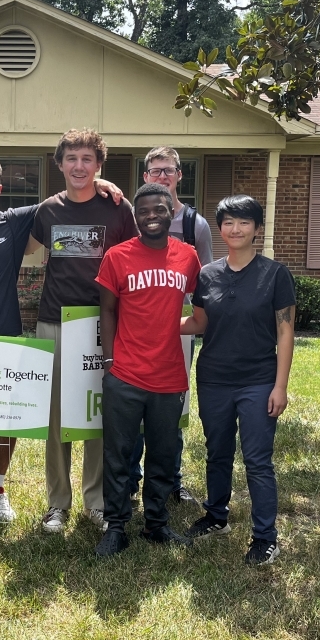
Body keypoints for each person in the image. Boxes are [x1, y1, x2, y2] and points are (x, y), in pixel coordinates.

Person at [0, 151, 124, 522]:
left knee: (9, 416)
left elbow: (65, 197)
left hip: (7, 330)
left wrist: (100, 183)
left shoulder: (14, 221)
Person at [26, 129, 136, 535]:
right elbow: (29, 257)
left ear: (99, 165)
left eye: (87, 159)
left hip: (101, 322)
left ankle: (96, 501)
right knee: (57, 418)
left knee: (95, 414)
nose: (78, 166)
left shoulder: (118, 210)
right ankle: (58, 503)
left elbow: (135, 260)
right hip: (54, 321)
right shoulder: (47, 211)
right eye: (71, 158)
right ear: (59, 164)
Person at [182, 195, 295, 565]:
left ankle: (265, 537)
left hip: (258, 380)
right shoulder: (208, 274)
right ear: (220, 228)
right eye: (229, 222)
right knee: (217, 452)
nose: (236, 229)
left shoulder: (275, 274)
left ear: (257, 229)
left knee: (258, 460)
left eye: (244, 222)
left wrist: (280, 386)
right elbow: (199, 322)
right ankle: (217, 516)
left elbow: (285, 333)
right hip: (213, 377)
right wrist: (154, 323)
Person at [95, 183, 201, 557]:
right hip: (124, 373)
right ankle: (116, 526)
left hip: (169, 375)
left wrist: (182, 325)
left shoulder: (187, 257)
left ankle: (156, 524)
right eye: (144, 211)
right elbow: (107, 310)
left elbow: (200, 308)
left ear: (172, 211)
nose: (151, 216)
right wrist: (109, 363)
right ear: (135, 216)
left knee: (162, 453)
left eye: (159, 209)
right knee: (118, 454)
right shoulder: (117, 256)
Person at [129, 146, 215, 504]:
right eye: (154, 171)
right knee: (134, 409)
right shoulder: (136, 216)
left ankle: (171, 481)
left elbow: (209, 285)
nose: (161, 176)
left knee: (171, 411)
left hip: (179, 330)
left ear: (180, 176)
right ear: (145, 177)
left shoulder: (196, 225)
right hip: (138, 331)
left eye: (168, 171)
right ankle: (132, 482)